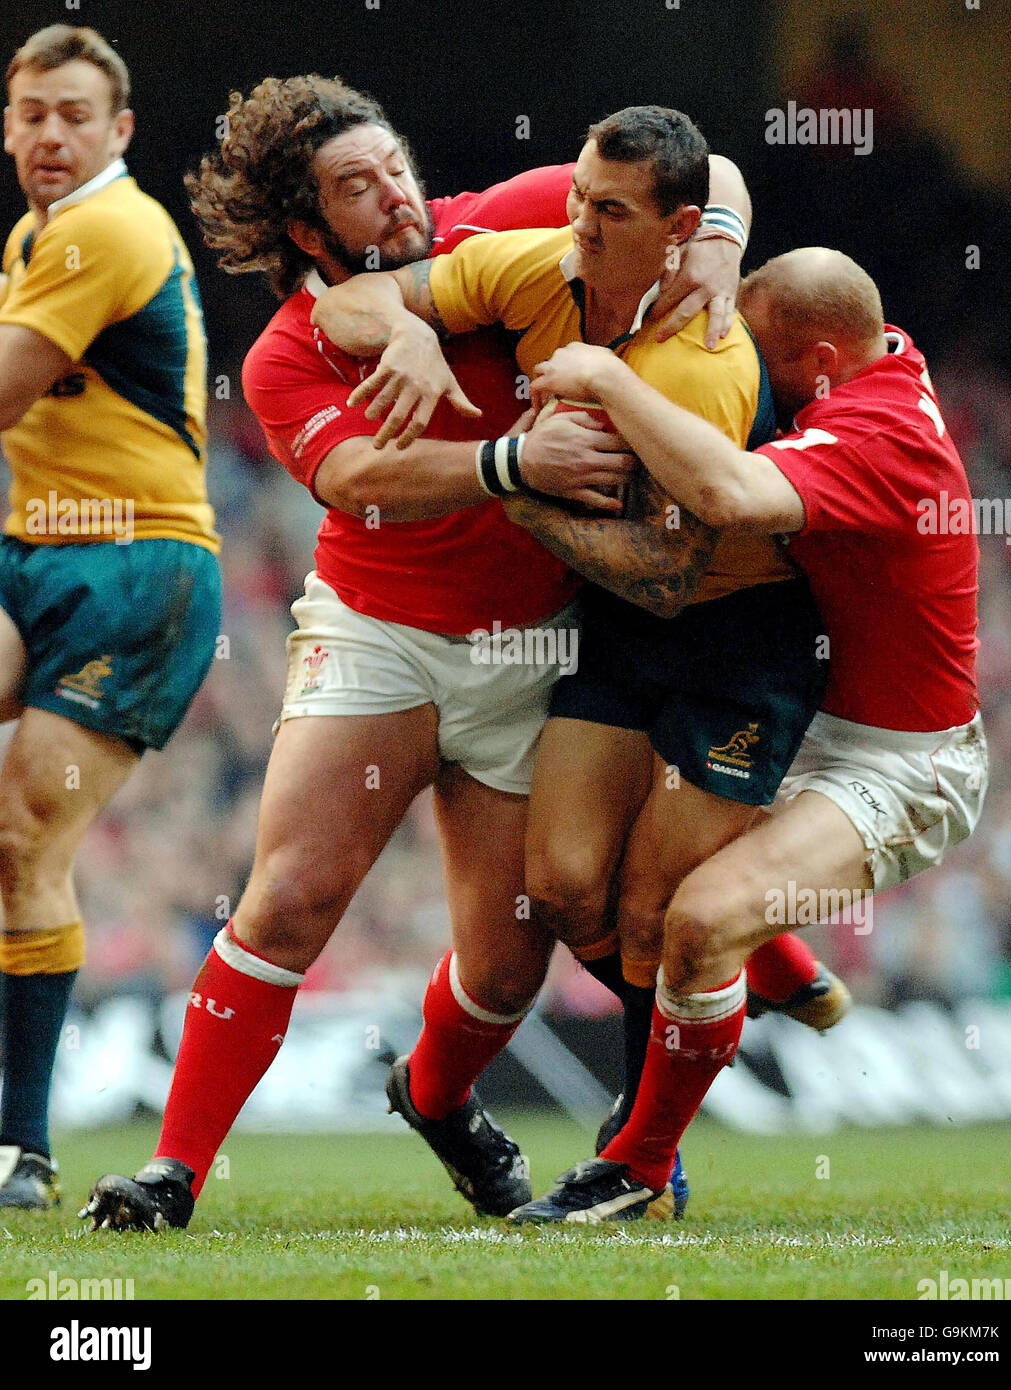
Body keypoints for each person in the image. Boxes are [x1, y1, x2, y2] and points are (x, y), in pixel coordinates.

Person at [80, 78, 749, 1230]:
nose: (396, 192)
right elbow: (356, 481)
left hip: (530, 651)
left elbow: (701, 173)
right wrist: (511, 462)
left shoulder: (502, 219)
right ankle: (172, 1173)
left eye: (393, 162)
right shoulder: (291, 351)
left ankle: (437, 1101)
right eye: (356, 186)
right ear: (305, 231)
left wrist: (723, 251)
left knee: (503, 970)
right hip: (377, 636)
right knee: (288, 897)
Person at [311, 106, 841, 1219]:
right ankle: (739, 997)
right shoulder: (534, 265)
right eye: (574, 203)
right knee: (554, 887)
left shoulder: (703, 365)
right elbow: (356, 295)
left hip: (732, 637)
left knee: (655, 910)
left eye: (607, 212)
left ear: (679, 229)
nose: (579, 230)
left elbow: (663, 571)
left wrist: (518, 491)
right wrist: (405, 329)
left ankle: (644, 1153)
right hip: (617, 629)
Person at [502, 247, 988, 1222]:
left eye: (757, 362)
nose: (742, 381)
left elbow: (731, 495)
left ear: (815, 360)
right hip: (813, 719)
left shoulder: (878, 428)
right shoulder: (872, 360)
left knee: (694, 921)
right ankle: (768, 965)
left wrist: (600, 377)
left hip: (897, 761)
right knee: (596, 885)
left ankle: (635, 1166)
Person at [0, 24, 220, 1210]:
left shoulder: (108, 226)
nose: (49, 133)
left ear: (118, 130)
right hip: (33, 555)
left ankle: (18, 1150)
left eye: (74, 114)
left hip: (137, 569)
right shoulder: (33, 236)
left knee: (25, 838)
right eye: (31, 111)